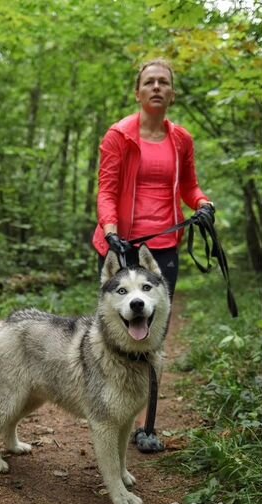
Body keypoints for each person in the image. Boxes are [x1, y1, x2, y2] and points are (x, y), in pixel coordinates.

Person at [92, 59, 214, 453]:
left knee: (155, 334)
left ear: (172, 93)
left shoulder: (182, 140)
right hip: (120, 243)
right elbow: (107, 190)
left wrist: (203, 203)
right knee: (114, 332)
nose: (157, 87)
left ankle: (147, 426)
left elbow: (191, 188)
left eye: (164, 82)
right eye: (149, 82)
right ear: (138, 92)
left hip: (162, 248)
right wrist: (111, 231)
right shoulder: (119, 136)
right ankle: (109, 408)